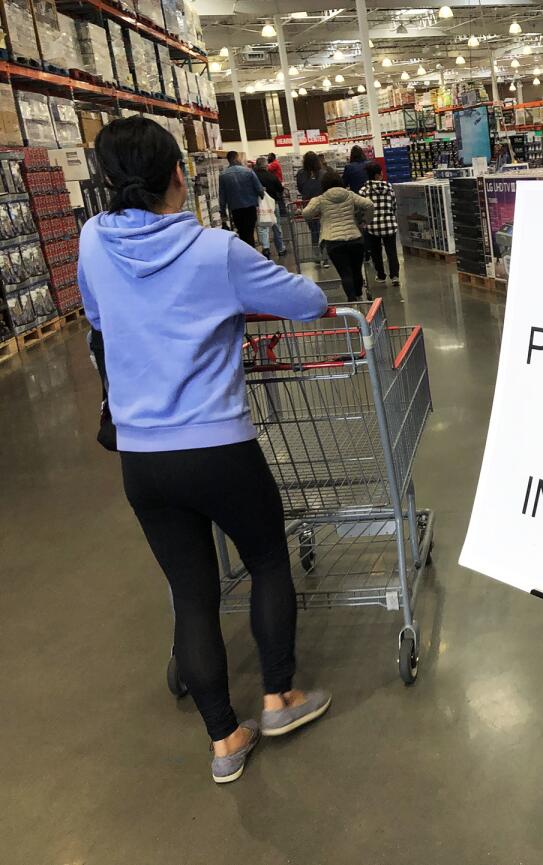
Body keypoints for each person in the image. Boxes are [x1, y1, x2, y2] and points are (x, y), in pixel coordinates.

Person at [80, 116, 332, 785]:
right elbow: (307, 301)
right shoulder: (214, 250)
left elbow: (100, 321)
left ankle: (224, 739)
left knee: (191, 594)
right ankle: (278, 697)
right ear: (177, 174)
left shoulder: (91, 242)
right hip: (217, 444)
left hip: (142, 456)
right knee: (268, 556)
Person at [303, 172, 373, 301]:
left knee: (345, 273)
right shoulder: (350, 195)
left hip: (333, 241)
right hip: (355, 238)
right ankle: (359, 295)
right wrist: (365, 221)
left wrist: (318, 213)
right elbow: (369, 204)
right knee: (356, 270)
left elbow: (306, 214)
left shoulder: (320, 199)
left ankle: (352, 301)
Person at [360, 161, 401, 284]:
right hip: (389, 224)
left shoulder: (364, 190)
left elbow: (362, 209)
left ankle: (381, 275)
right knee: (391, 251)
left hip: (372, 226)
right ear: (378, 175)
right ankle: (395, 276)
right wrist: (390, 216)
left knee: (376, 252)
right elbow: (394, 206)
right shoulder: (389, 188)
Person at [218, 150, 263, 247]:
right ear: (235, 158)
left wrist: (223, 212)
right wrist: (262, 196)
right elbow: (259, 188)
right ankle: (251, 252)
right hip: (250, 207)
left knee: (242, 232)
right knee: (250, 231)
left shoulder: (223, 175)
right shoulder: (248, 171)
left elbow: (222, 195)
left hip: (235, 209)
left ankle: (246, 252)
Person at [295, 151, 330, 268]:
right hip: (322, 205)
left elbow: (300, 189)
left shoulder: (300, 174)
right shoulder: (324, 173)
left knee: (313, 231)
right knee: (323, 230)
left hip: (308, 205)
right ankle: (325, 258)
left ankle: (316, 256)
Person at [253, 156, 287, 258]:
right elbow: (280, 189)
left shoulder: (253, 176)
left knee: (262, 227)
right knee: (276, 226)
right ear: (266, 165)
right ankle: (280, 249)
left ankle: (266, 249)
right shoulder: (272, 176)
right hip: (273, 204)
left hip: (259, 205)